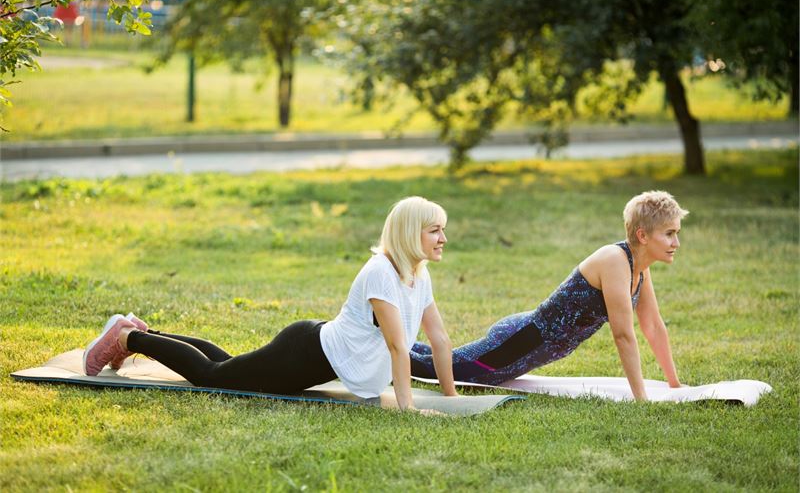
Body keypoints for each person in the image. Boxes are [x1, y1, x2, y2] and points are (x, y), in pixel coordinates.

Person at [83, 196, 458, 411]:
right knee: (213, 378)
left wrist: (451, 395)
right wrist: (406, 409)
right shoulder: (381, 272)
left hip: (312, 347)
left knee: (226, 365)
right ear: (411, 234)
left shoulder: (417, 274)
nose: (443, 238)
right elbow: (396, 345)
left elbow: (439, 339)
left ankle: (141, 331)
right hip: (305, 351)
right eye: (434, 230)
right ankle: (129, 338)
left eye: (442, 229)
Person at [411, 190, 687, 401]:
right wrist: (641, 399)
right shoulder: (615, 260)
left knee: (447, 360)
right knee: (436, 370)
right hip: (520, 341)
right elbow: (623, 335)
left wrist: (673, 383)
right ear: (643, 235)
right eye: (669, 234)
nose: (676, 243)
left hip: (532, 348)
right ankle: (387, 342)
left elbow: (652, 326)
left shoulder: (639, 268)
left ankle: (398, 341)